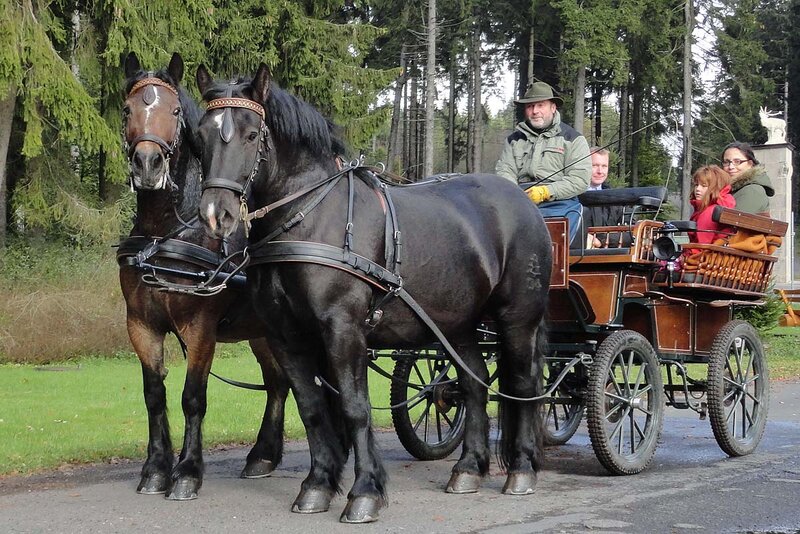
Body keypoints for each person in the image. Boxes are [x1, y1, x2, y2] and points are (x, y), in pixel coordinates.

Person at [495, 81, 590, 243]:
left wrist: (545, 192)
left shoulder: (574, 139)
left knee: (544, 238)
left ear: (553, 107)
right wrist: (515, 194)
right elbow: (505, 170)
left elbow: (579, 180)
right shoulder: (513, 140)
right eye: (530, 106)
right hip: (517, 203)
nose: (535, 111)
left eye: (540, 105)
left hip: (559, 205)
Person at [582, 147, 625, 248]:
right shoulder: (572, 197)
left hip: (614, 255)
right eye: (595, 165)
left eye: (604, 166)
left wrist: (600, 241)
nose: (600, 171)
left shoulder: (616, 198)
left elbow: (631, 232)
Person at [720, 141, 774, 215]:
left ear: (750, 164)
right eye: (726, 162)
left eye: (737, 161)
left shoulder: (753, 190)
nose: (731, 167)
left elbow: (733, 219)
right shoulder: (728, 189)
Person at [687, 165, 735, 247]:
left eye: (704, 186)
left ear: (715, 188)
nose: (698, 189)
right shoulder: (719, 206)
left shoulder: (710, 212)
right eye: (696, 185)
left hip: (705, 253)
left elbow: (701, 246)